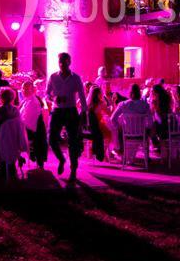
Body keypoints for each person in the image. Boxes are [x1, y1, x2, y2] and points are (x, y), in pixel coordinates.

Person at [45, 52, 87, 182]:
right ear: (58, 63)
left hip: (70, 111)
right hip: (57, 111)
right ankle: (62, 159)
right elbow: (46, 94)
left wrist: (84, 112)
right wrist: (53, 98)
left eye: (64, 61)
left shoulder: (76, 78)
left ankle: (73, 170)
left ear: (70, 62)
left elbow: (82, 95)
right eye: (60, 61)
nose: (62, 64)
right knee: (51, 139)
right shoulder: (53, 77)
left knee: (73, 141)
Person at [109, 83, 151, 155]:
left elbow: (112, 119)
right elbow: (150, 122)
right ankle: (147, 156)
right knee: (148, 129)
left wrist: (119, 127)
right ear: (139, 93)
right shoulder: (145, 105)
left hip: (127, 133)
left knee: (120, 128)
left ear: (130, 93)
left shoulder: (123, 104)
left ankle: (121, 150)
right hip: (142, 133)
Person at [19, 81, 48, 169]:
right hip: (32, 129)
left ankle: (12, 160)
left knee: (10, 135)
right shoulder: (27, 100)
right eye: (23, 88)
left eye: (27, 88)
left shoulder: (33, 102)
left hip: (35, 132)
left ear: (32, 90)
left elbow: (26, 121)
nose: (24, 90)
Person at [85, 86, 112, 161]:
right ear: (98, 94)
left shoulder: (88, 103)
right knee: (109, 134)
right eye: (101, 92)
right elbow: (110, 113)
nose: (102, 93)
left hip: (88, 127)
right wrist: (112, 102)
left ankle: (92, 149)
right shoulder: (101, 103)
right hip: (97, 126)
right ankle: (103, 152)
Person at [149, 84, 172, 149]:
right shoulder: (167, 98)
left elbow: (156, 115)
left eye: (152, 91)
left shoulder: (156, 100)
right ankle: (159, 145)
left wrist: (152, 103)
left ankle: (157, 145)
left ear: (155, 92)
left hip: (164, 126)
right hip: (171, 125)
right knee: (153, 125)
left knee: (150, 128)